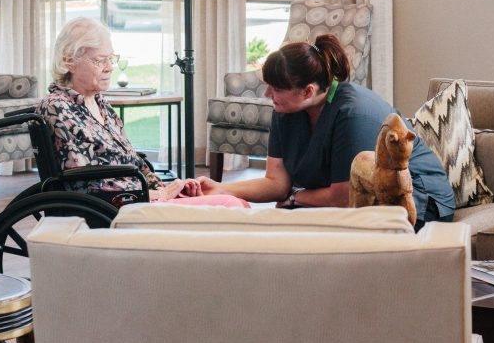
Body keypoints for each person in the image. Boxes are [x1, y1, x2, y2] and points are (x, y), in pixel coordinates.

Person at [194, 34, 455, 227]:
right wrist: (221, 189)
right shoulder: (286, 110)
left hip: (415, 201)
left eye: (275, 88)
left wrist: (296, 198)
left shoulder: (353, 114)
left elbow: (343, 197)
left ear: (308, 91)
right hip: (349, 201)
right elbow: (277, 183)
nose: (267, 94)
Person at [37, 18, 246, 207]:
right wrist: (155, 194)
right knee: (231, 205)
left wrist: (171, 187)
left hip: (143, 198)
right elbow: (82, 183)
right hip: (121, 207)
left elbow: (133, 162)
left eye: (111, 59)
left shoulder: (101, 104)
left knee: (237, 204)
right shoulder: (58, 108)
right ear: (68, 61)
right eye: (100, 60)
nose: (109, 68)